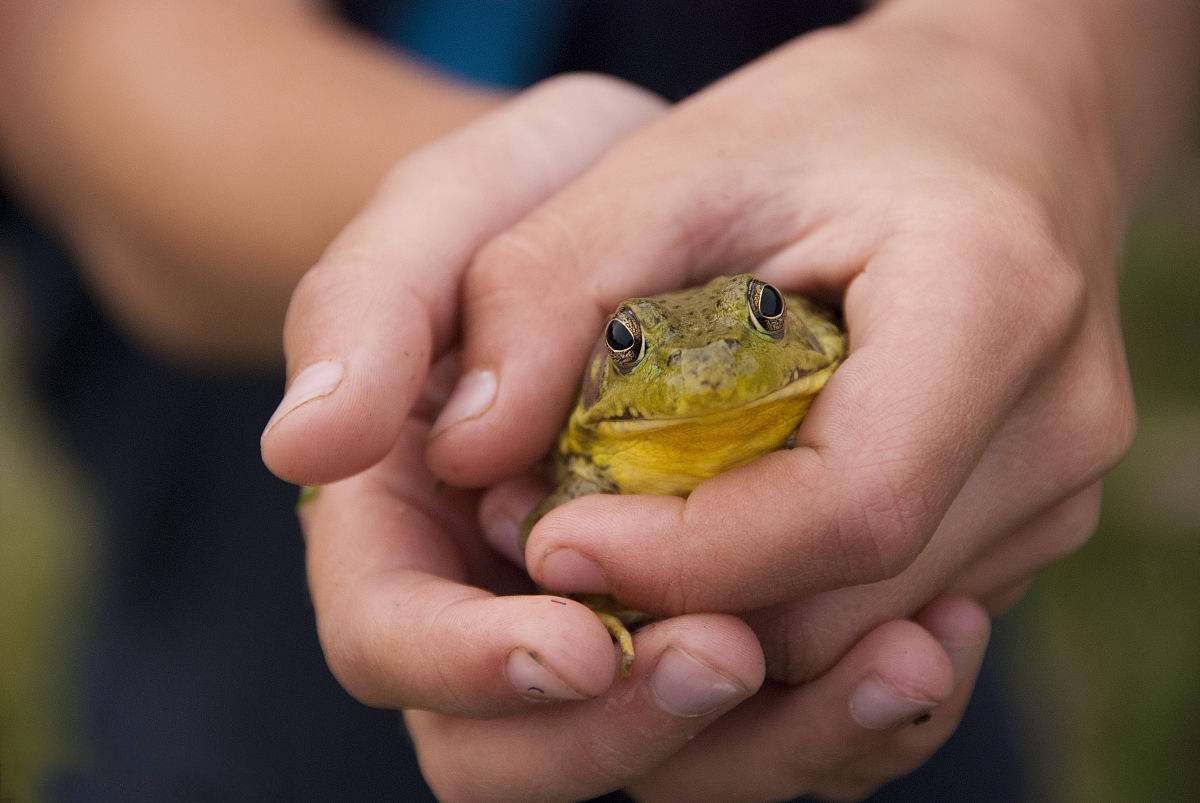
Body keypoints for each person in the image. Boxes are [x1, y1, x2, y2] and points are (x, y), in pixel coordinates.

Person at [2, 0, 1195, 799]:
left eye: (762, 318)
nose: (713, 359)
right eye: (642, 340)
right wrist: (469, 271)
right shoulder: (568, 431)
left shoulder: (810, 329)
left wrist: (1025, 84)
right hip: (250, 659)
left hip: (893, 617)